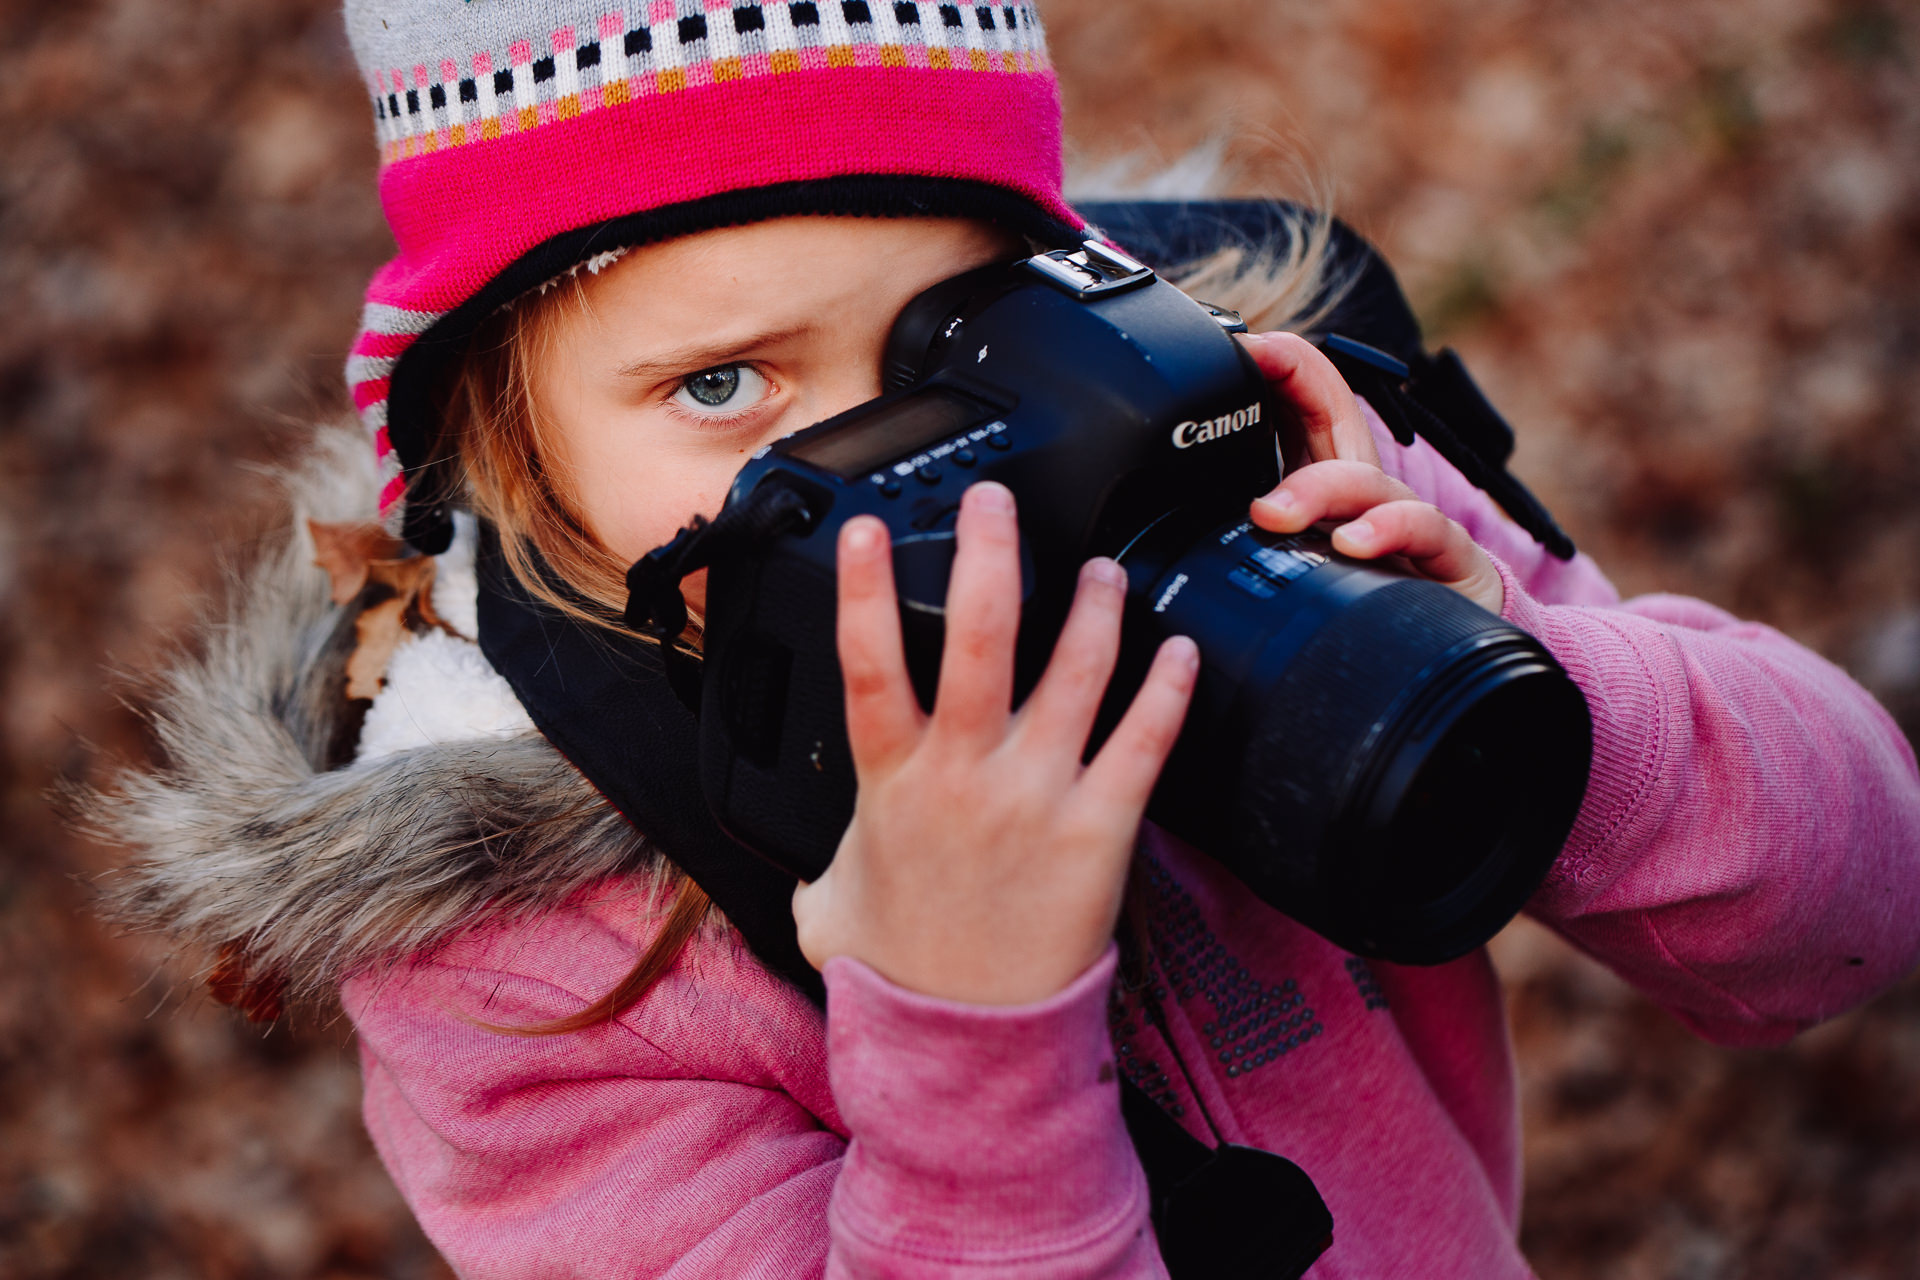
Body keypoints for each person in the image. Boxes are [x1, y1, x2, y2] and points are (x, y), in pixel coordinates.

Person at [87, 1, 1920, 1276]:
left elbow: (1853, 919)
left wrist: (1528, 682)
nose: (911, 487)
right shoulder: (522, 962)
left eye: (961, 341)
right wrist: (965, 1023)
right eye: (723, 384)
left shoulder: (1255, 482)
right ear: (496, 429)